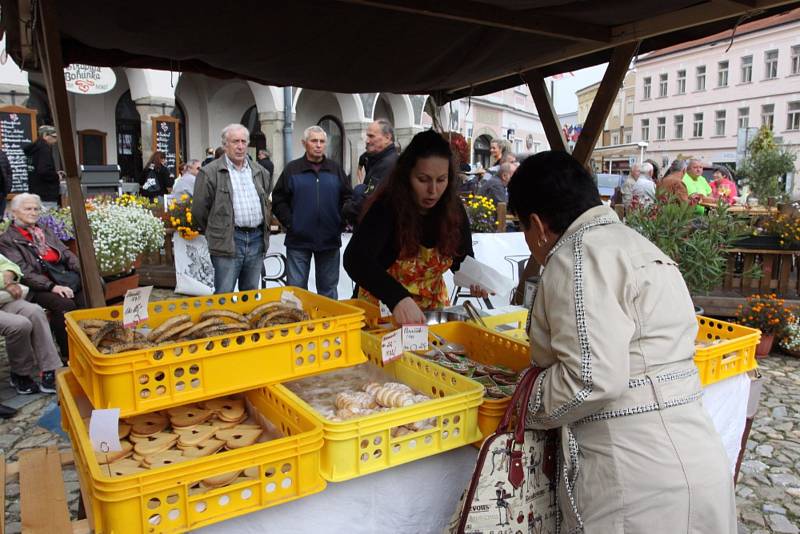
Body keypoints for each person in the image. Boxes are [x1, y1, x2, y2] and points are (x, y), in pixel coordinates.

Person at [507, 150, 735, 533]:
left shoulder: (575, 255)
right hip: (698, 460)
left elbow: (590, 380)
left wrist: (521, 400)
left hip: (636, 482)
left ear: (537, 224)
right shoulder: (635, 243)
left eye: (523, 228)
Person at [343, 130, 487, 325]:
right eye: (423, 179)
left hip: (433, 314)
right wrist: (397, 298)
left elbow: (461, 259)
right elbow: (355, 259)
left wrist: (475, 279)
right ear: (407, 175)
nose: (433, 190)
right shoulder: (387, 207)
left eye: (441, 180)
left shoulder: (454, 210)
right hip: (382, 312)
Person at [0, 193, 83, 362]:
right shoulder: (7, 239)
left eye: (36, 209)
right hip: (37, 286)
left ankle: (86, 345)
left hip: (61, 278)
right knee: (64, 304)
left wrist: (84, 273)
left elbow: (65, 253)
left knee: (90, 292)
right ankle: (69, 353)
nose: (33, 212)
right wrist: (52, 287)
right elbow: (24, 271)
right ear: (14, 212)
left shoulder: (44, 230)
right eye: (28, 209)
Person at [272, 126, 352, 299]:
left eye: (322, 141)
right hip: (298, 241)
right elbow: (278, 199)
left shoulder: (335, 169)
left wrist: (340, 222)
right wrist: (291, 223)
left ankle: (328, 325)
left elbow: (348, 198)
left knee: (328, 291)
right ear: (304, 143)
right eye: (314, 141)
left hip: (329, 240)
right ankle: (299, 325)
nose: (318, 145)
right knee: (296, 292)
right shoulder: (292, 169)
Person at [192, 124, 272, 294]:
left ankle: (244, 321)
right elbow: (199, 211)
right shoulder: (210, 172)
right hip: (228, 240)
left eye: (244, 141)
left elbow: (266, 202)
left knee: (250, 293)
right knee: (224, 292)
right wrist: (218, 230)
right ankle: (222, 321)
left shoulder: (260, 172)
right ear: (225, 144)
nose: (240, 146)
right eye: (235, 141)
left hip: (256, 239)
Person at [0, 252, 63, 395]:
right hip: (5, 294)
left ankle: (49, 370)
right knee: (20, 324)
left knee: (35, 312)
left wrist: (8, 276)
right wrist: (5, 281)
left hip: (4, 300)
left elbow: (11, 266)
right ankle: (20, 373)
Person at [343, 120, 398, 225]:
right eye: (367, 136)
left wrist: (346, 208)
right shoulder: (379, 160)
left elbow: (368, 202)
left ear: (387, 138)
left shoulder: (387, 164)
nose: (367, 141)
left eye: (371, 136)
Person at [22, 125, 62, 209]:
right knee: (47, 220)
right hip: (46, 194)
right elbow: (44, 171)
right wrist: (56, 176)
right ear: (45, 135)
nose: (56, 140)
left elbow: (36, 169)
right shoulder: (44, 149)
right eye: (54, 137)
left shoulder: (33, 149)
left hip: (34, 192)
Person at [0, 148, 12, 218]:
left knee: (1, 220)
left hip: (1, 193)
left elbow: (9, 171)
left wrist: (8, 187)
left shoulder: (1, 153)